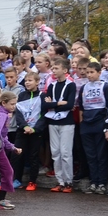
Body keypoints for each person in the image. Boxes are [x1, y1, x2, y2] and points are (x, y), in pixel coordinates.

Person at [42, 57, 76, 192]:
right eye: (53, 68)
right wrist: (58, 103)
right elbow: (45, 104)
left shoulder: (70, 85)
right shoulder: (52, 85)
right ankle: (60, 181)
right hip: (53, 122)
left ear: (65, 70)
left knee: (65, 152)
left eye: (56, 68)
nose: (53, 71)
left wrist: (53, 105)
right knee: (55, 152)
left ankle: (68, 181)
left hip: (66, 122)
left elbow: (70, 104)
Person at [78, 61, 108, 194]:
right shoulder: (84, 87)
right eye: (88, 73)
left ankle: (102, 182)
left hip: (100, 122)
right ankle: (93, 181)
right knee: (90, 155)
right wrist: (82, 123)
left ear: (99, 72)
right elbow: (81, 107)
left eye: (92, 72)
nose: (89, 75)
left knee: (101, 154)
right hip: (87, 124)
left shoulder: (106, 86)